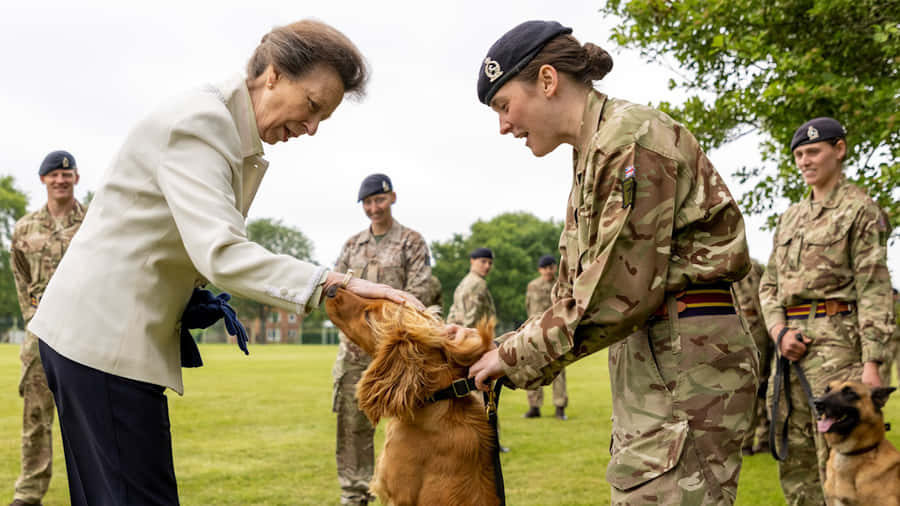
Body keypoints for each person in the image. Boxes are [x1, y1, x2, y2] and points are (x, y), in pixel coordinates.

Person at [26, 20, 422, 506]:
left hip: (89, 340)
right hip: (103, 343)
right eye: (312, 106)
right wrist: (332, 283)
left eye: (324, 119)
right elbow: (222, 252)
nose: (312, 128)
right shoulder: (203, 121)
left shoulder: (220, 124)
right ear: (273, 75)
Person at [466, 21, 757, 505]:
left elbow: (617, 293)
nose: (503, 125)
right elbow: (571, 291)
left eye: (503, 105)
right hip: (656, 353)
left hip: (683, 359)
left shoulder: (628, 140)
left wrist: (511, 357)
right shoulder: (593, 151)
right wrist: (500, 346)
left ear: (546, 80)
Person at [758, 117, 894, 505]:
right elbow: (769, 286)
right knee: (795, 458)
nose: (805, 160)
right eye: (799, 154)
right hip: (788, 352)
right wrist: (779, 332)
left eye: (813, 151)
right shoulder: (789, 218)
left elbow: (873, 287)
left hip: (839, 352)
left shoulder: (860, 210)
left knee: (839, 463)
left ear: (839, 149)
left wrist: (873, 362)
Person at [332, 173, 431, 506]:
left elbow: (419, 292)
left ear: (392, 198)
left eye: (379, 200)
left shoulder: (411, 242)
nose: (374, 208)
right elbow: (336, 292)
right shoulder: (351, 246)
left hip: (396, 355)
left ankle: (402, 493)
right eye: (368, 203)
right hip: (354, 354)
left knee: (408, 427)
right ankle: (353, 494)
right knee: (352, 426)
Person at [8, 151, 85, 506]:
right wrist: (31, 319)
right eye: (54, 175)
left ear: (76, 179)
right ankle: (28, 494)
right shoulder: (24, 229)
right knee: (36, 420)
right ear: (43, 180)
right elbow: (20, 278)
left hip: (86, 336)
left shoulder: (94, 223)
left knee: (88, 421)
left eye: (66, 175)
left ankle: (92, 493)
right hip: (40, 338)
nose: (60, 180)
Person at [731, 258, 774, 455]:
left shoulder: (746, 265)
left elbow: (759, 298)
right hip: (749, 325)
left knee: (756, 385)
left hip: (750, 325)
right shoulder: (743, 264)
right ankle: (756, 439)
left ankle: (753, 440)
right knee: (756, 384)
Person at [523, 254, 568, 421]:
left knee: (558, 371)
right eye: (545, 267)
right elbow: (528, 308)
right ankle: (534, 407)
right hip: (535, 333)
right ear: (540, 269)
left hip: (555, 333)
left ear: (555, 267)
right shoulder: (532, 286)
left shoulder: (561, 285)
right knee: (533, 370)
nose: (549, 270)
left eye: (551, 267)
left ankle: (560, 407)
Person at [446, 247, 496, 328]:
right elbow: (471, 315)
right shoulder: (478, 283)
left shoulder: (464, 282)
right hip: (471, 334)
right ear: (472, 261)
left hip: (457, 331)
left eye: (490, 263)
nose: (487, 266)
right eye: (483, 261)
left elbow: (454, 311)